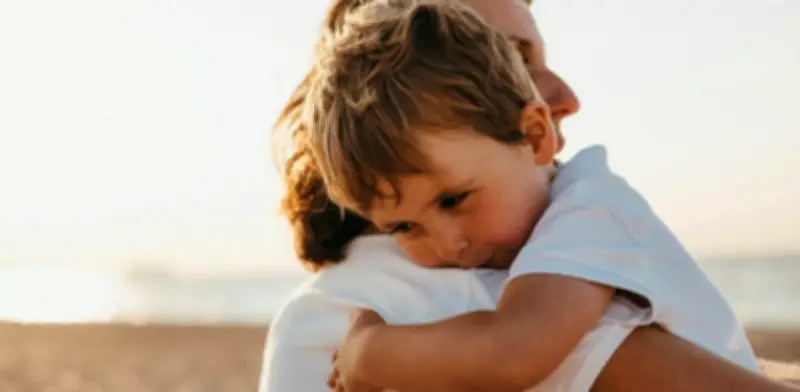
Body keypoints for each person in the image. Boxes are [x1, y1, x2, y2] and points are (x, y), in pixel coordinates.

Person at [259, 0, 800, 391]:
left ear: (534, 134)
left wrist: (371, 352)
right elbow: (514, 349)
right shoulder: (431, 296)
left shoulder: (583, 212)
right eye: (512, 57)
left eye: (453, 201)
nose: (567, 95)